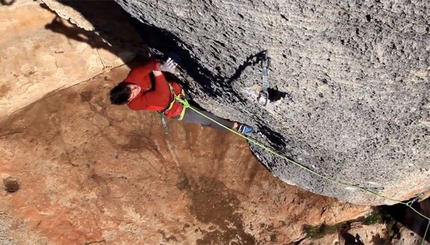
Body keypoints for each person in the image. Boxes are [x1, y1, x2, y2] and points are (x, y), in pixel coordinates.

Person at [109, 58, 253, 134]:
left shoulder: (132, 77)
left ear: (124, 83)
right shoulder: (135, 104)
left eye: (131, 86)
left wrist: (159, 66)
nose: (136, 87)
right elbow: (162, 96)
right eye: (133, 92)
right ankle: (235, 126)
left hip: (179, 90)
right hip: (177, 109)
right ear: (129, 99)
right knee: (208, 118)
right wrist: (158, 72)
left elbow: (146, 67)